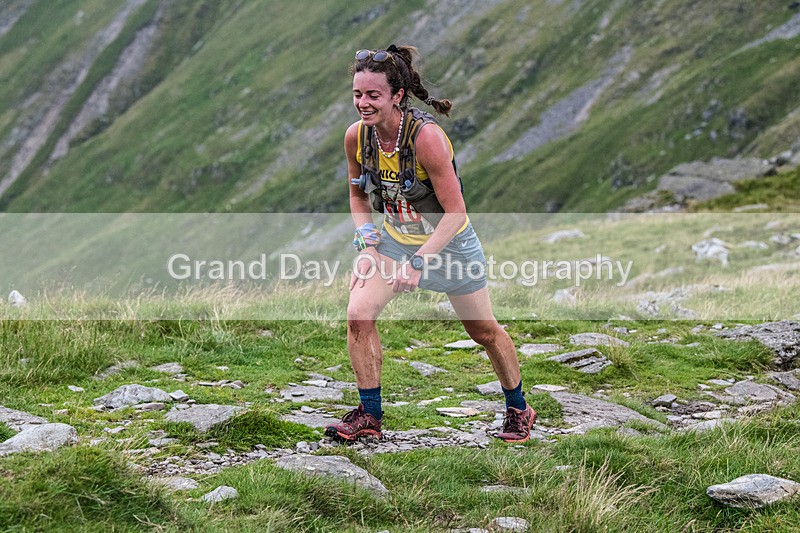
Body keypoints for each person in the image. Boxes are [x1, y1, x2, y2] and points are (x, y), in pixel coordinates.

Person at [324, 45, 536, 444]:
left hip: (451, 248)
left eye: (373, 95)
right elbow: (357, 197)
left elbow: (455, 213)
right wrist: (369, 248)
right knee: (358, 313)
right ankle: (369, 416)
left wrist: (419, 262)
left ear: (397, 96)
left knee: (483, 331)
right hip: (395, 246)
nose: (363, 104)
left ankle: (519, 407)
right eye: (357, 95)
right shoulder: (357, 138)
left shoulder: (428, 139)